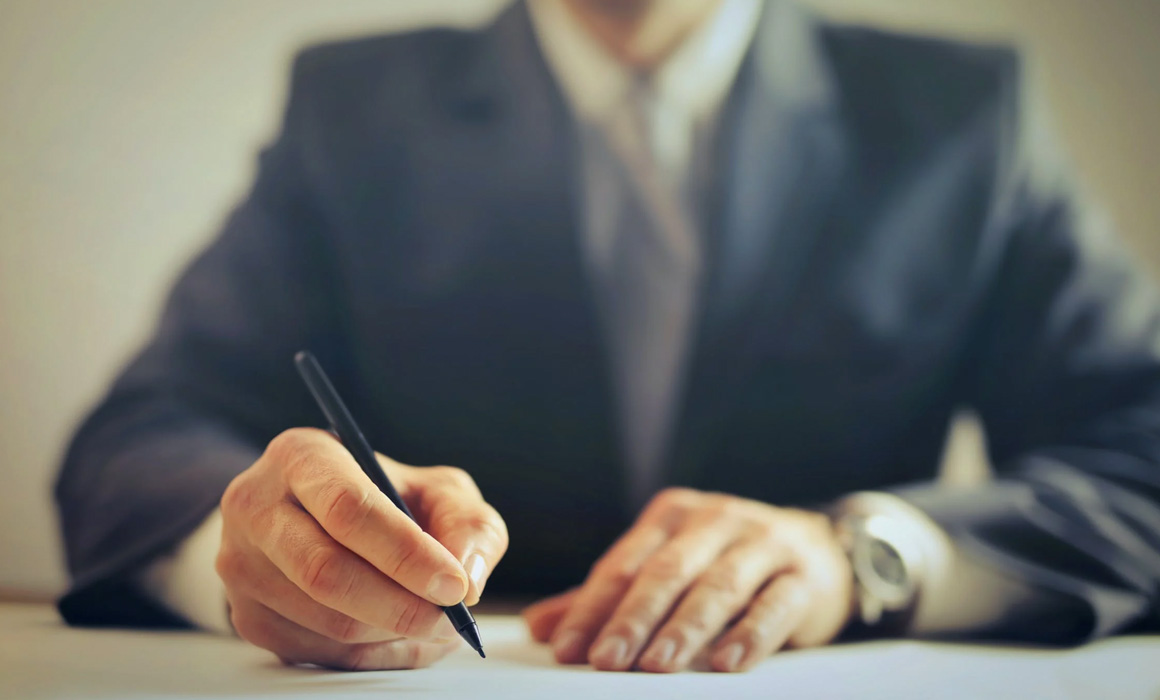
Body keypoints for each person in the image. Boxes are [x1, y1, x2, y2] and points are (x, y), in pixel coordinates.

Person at [56, 0, 1160, 674]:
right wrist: (269, 551)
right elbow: (135, 444)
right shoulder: (353, 111)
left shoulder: (959, 117)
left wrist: (862, 557)